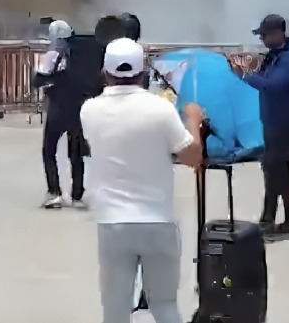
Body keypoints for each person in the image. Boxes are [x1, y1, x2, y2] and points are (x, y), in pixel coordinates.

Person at [80, 37, 204, 323]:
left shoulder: (90, 110)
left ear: (105, 72)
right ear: (142, 72)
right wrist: (193, 121)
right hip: (158, 220)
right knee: (164, 305)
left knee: (115, 308)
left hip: (113, 222)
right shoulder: (160, 109)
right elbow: (192, 156)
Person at [235, 14, 289, 235]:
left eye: (265, 35)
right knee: (276, 171)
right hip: (271, 122)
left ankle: (272, 219)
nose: (263, 40)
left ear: (278, 34)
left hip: (284, 123)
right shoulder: (274, 57)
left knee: (275, 170)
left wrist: (247, 76)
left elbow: (276, 86)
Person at [33, 19, 87, 209]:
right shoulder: (79, 57)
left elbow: (40, 80)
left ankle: (54, 192)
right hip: (76, 109)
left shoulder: (51, 56)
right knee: (76, 153)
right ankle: (77, 195)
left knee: (49, 151)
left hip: (57, 108)